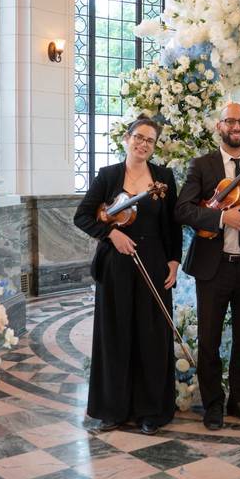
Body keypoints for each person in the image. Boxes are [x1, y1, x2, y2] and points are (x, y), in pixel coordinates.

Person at [73, 117, 181, 435]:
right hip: (117, 262)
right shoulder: (108, 176)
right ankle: (113, 410)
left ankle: (151, 412)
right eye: (139, 137)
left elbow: (172, 225)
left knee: (152, 337)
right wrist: (111, 234)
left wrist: (174, 261)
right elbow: (82, 215)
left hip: (154, 262)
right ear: (127, 138)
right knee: (115, 335)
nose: (143, 144)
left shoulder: (163, 177)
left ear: (154, 145)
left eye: (149, 140)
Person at [175, 102, 240, 430]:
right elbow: (183, 210)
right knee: (210, 339)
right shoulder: (202, 165)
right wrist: (221, 217)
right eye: (231, 121)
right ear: (220, 126)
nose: (237, 126)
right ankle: (214, 404)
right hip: (215, 267)